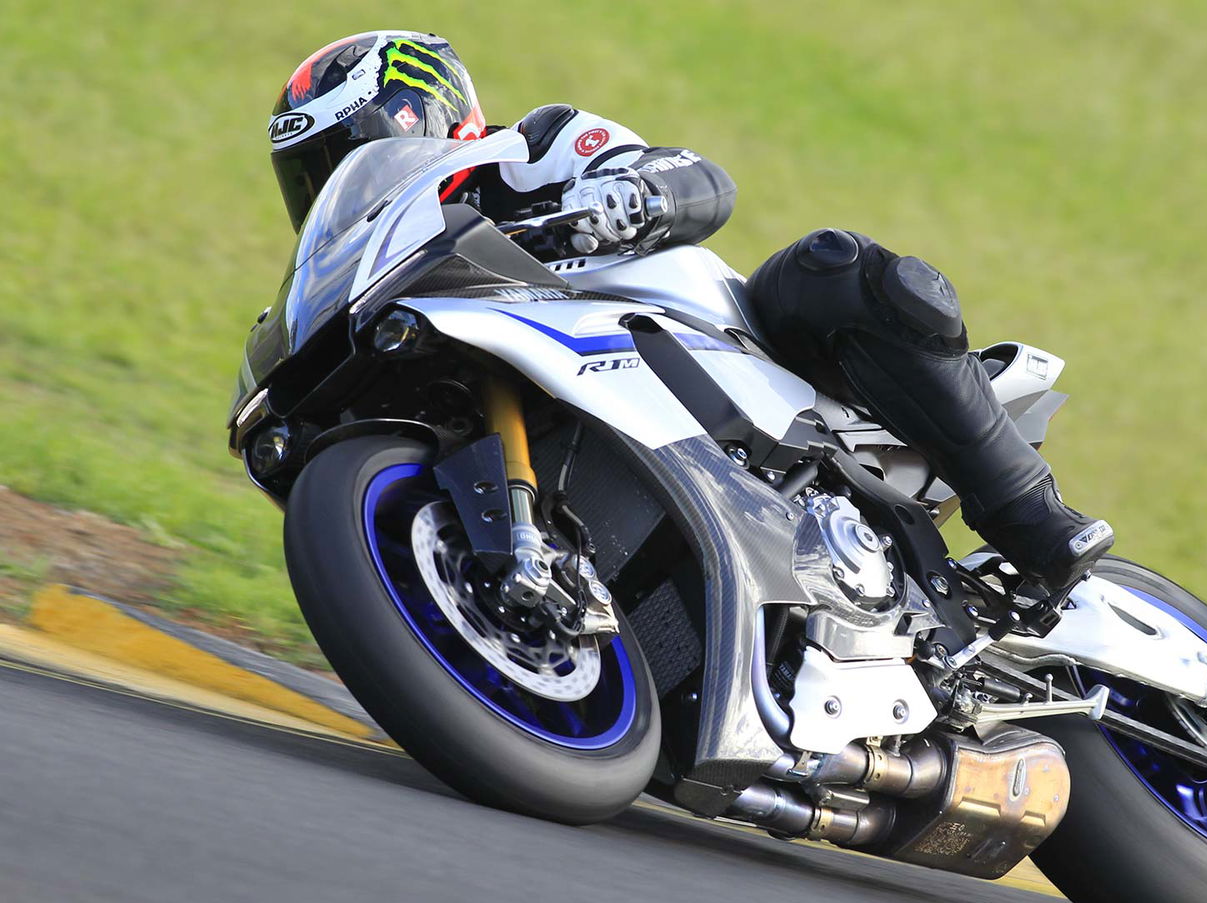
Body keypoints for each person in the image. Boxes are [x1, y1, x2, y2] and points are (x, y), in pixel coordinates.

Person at [267, 30, 1114, 589]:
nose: (334, 180)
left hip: (720, 354)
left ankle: (1031, 516)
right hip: (549, 399)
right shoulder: (387, 269)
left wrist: (630, 198)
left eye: (348, 148)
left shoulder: (529, 151)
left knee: (833, 266)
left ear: (418, 113)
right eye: (313, 174)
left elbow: (696, 179)